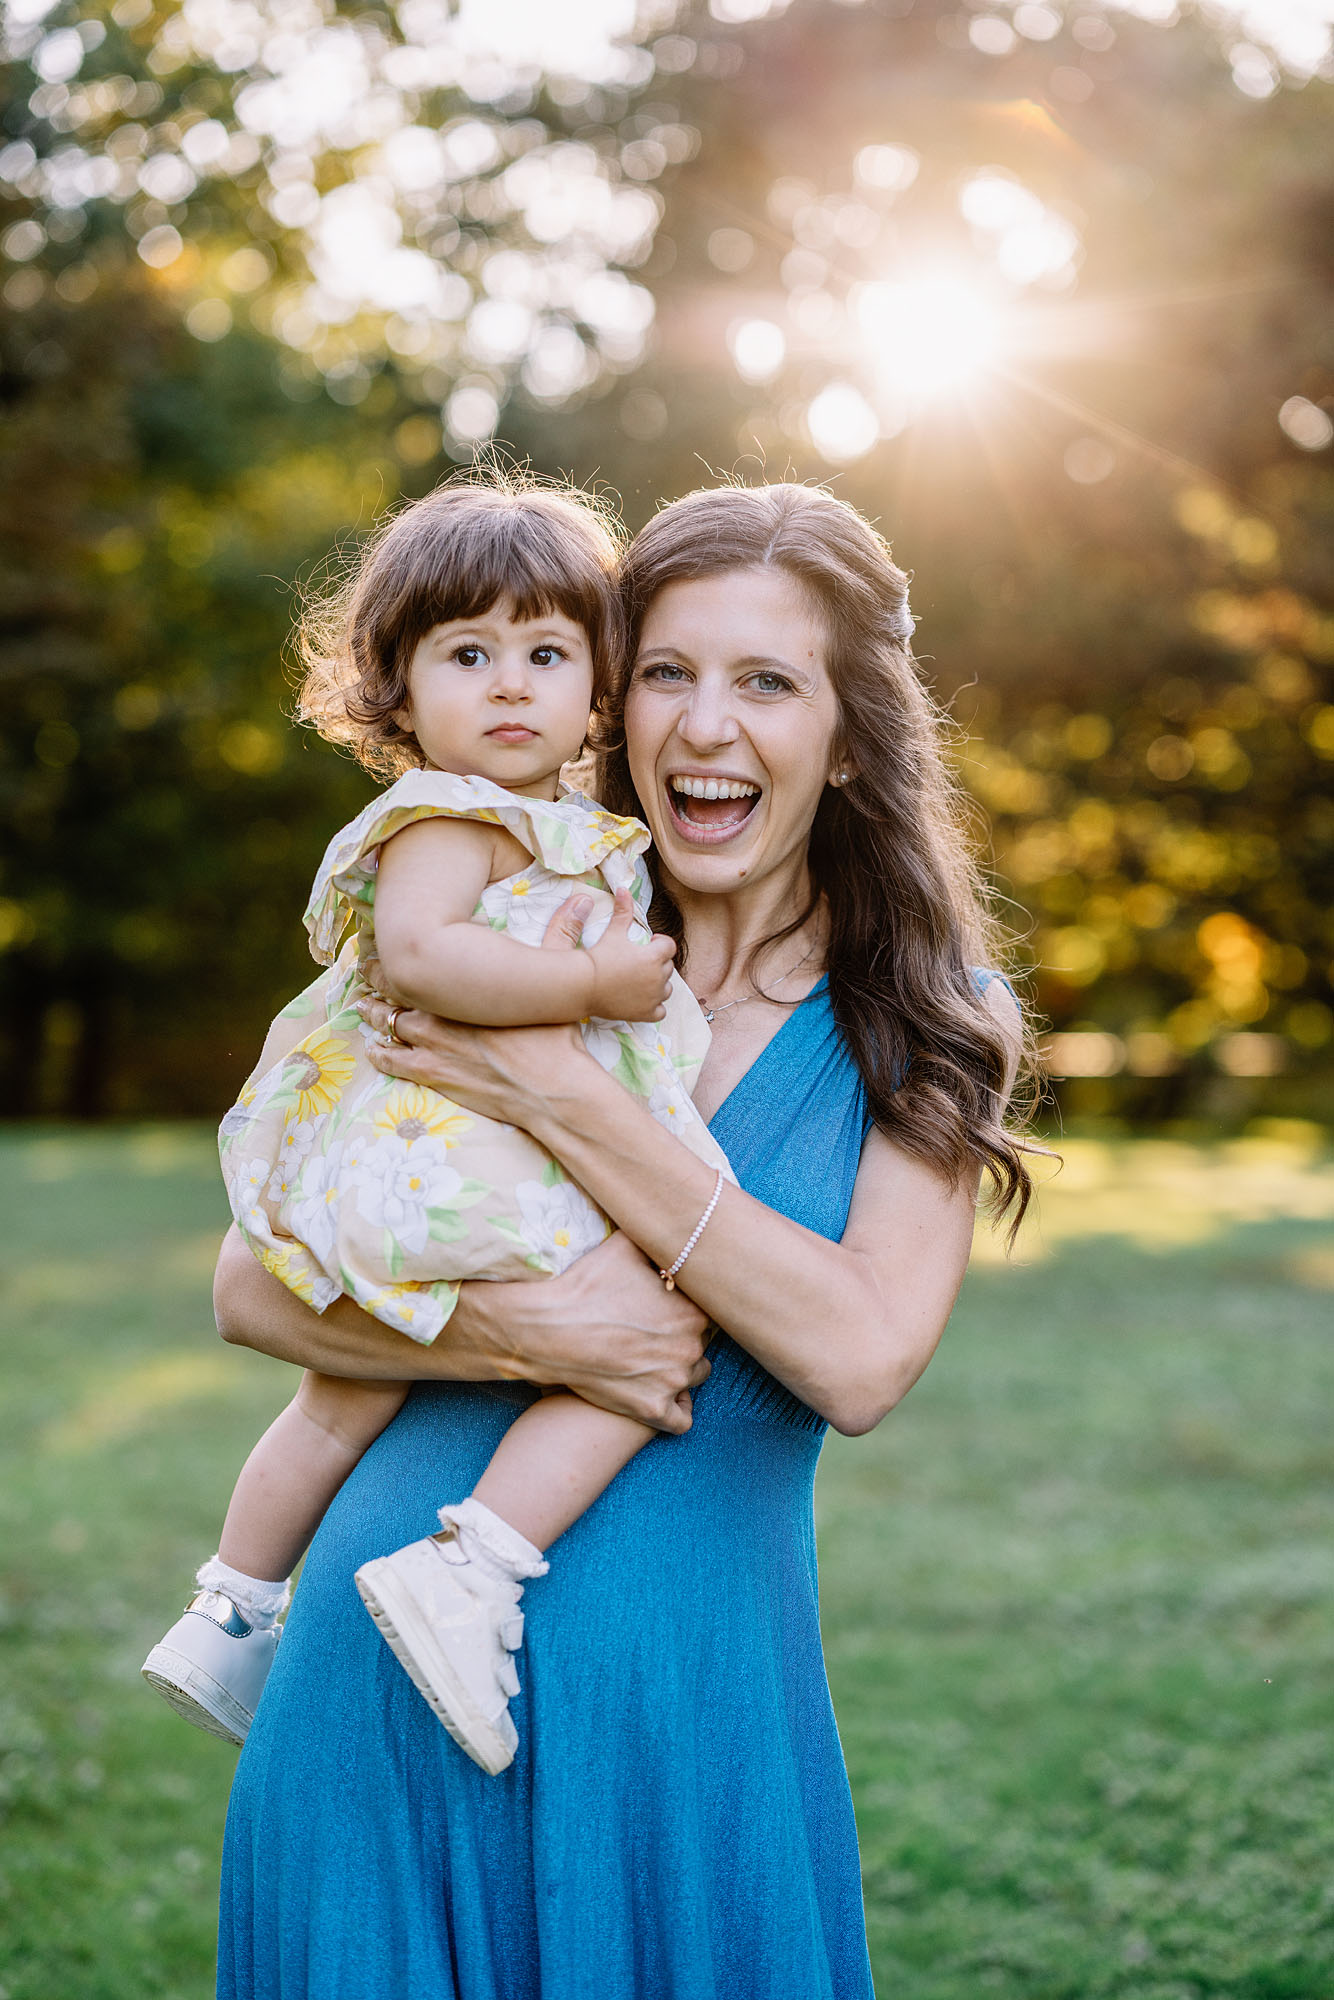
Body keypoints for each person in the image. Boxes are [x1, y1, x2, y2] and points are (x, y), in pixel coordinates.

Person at [211, 481, 1032, 1999]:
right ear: (610, 697)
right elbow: (254, 1282)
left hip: (687, 1741)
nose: (704, 727)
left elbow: (855, 1356)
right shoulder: (496, 925)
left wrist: (558, 1093)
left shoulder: (922, 1018)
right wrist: (535, 1335)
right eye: (668, 671)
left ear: (846, 736)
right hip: (370, 1714)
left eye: (766, 682)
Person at [142, 476, 735, 1775]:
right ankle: (478, 1564)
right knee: (657, 1326)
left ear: (596, 687)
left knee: (343, 1396)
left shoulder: (561, 827)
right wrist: (591, 984)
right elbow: (418, 957)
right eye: (469, 654)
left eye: (545, 653)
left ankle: (231, 1606)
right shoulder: (448, 816)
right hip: (447, 1150)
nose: (510, 685)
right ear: (397, 694)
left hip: (449, 1148)